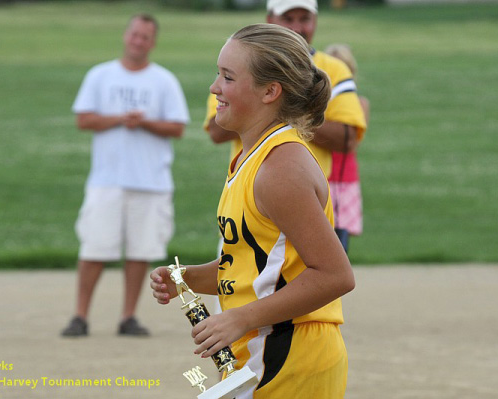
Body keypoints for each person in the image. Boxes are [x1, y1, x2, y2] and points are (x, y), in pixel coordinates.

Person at [151, 24, 355, 398]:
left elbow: (334, 275)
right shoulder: (255, 157)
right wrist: (187, 278)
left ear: (270, 91)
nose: (214, 88)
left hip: (288, 354)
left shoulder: (281, 168)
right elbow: (257, 267)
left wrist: (241, 317)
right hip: (265, 352)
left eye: (228, 77)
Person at [61, 13, 190, 337]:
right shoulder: (101, 75)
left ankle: (128, 316)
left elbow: (177, 127)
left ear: (153, 42)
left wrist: (143, 123)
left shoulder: (164, 81)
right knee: (94, 249)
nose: (138, 41)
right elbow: (83, 119)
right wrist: (121, 119)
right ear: (125, 36)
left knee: (140, 252)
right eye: (135, 34)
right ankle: (80, 316)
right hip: (108, 179)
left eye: (145, 37)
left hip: (151, 181)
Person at [204, 0, 367, 251]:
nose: (297, 27)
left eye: (304, 19)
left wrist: (282, 112)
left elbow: (347, 138)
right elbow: (216, 130)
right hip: (251, 196)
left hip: (301, 198)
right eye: (288, 18)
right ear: (270, 19)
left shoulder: (334, 69)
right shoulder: (244, 62)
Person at [325, 44, 371, 252]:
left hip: (343, 176)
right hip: (322, 174)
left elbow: (352, 141)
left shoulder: (359, 103)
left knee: (340, 241)